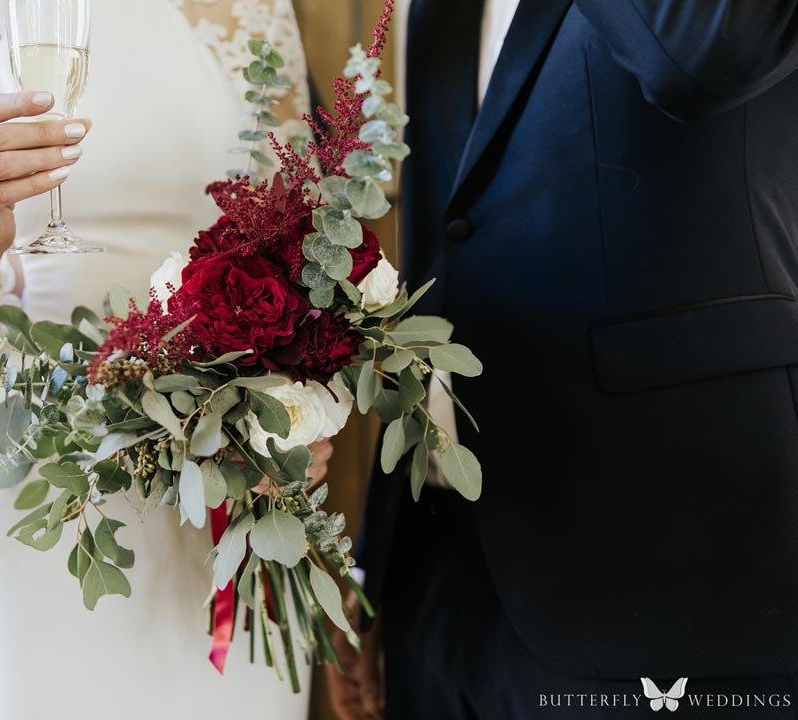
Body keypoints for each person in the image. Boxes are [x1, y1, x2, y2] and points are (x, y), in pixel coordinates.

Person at [0, 0, 327, 716]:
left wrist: (299, 407)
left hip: (232, 511)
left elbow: (300, 250)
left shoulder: (254, 8)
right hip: (38, 519)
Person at [330, 1, 798, 718]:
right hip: (443, 581)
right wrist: (378, 566)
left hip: (666, 565)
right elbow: (445, 250)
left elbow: (705, 55)